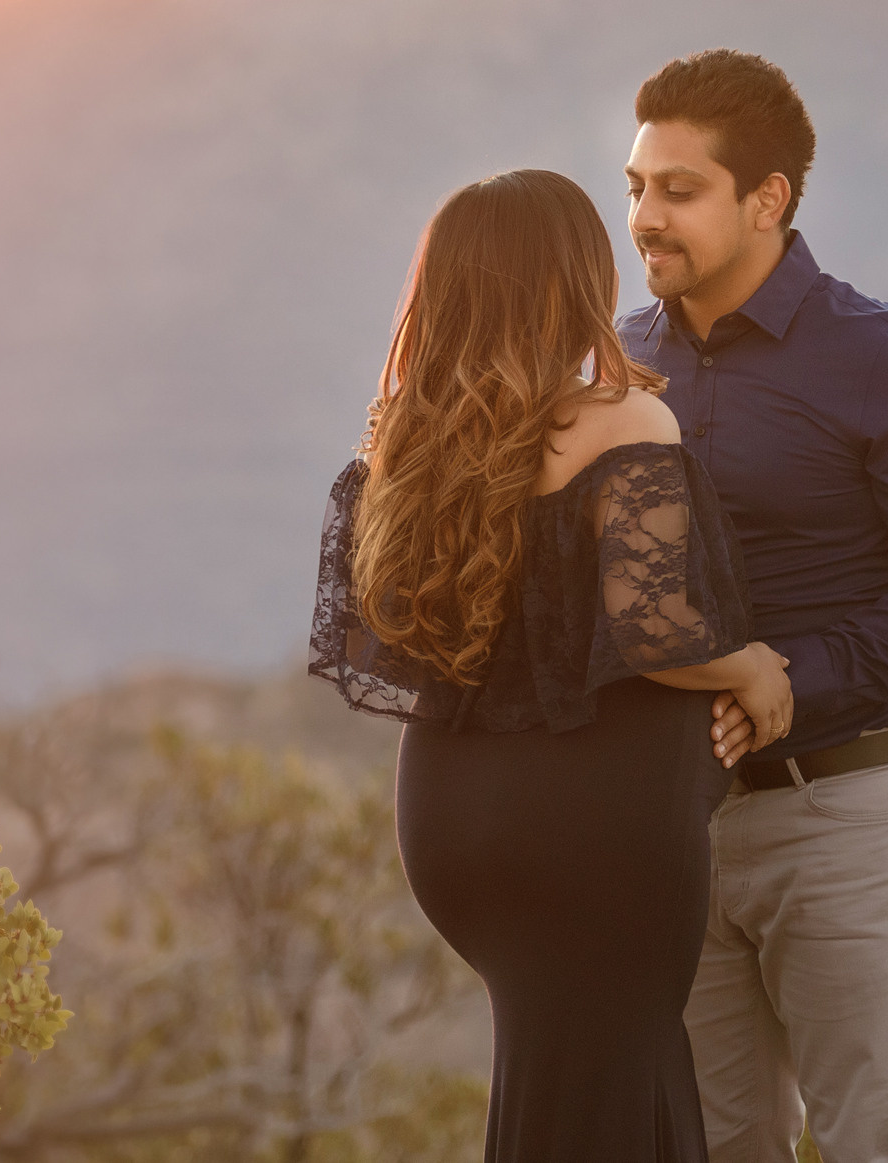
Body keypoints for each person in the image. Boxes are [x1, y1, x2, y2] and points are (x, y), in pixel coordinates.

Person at [310, 167, 795, 1163]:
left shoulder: (400, 446)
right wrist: (753, 669)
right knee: (614, 1086)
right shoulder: (622, 423)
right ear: (568, 280)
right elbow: (655, 631)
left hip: (451, 827)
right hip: (594, 835)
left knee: (572, 1083)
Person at [620, 50, 888, 1163]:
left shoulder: (877, 356)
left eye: (678, 190)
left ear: (766, 200)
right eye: (637, 188)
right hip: (675, 828)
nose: (646, 217)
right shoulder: (618, 360)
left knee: (871, 1144)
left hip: (848, 813)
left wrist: (795, 679)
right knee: (709, 1147)